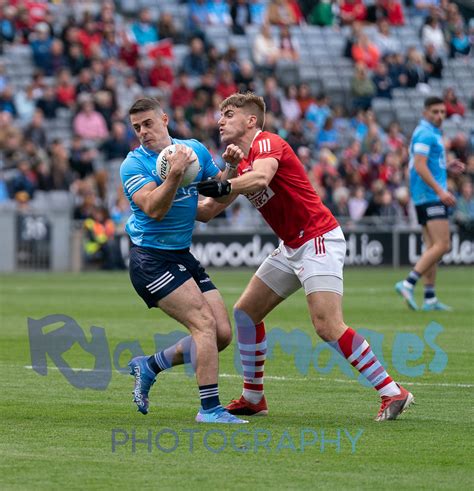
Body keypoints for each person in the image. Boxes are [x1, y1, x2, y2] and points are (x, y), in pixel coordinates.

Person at [196, 92, 414, 421]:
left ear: (250, 120)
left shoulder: (267, 142)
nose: (220, 120)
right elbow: (209, 211)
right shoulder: (240, 162)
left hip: (317, 239)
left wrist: (226, 184)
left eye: (228, 113)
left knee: (327, 324)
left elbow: (260, 178)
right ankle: (254, 397)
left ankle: (391, 390)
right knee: (245, 313)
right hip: (292, 246)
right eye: (220, 114)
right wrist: (186, 186)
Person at [120, 97, 246, 424]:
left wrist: (232, 166)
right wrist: (173, 175)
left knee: (220, 334)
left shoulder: (194, 150)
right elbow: (155, 209)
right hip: (150, 260)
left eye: (148, 124)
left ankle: (150, 365)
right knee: (203, 325)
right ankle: (210, 410)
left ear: (165, 119)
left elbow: (217, 192)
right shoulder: (133, 165)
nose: (143, 132)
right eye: (136, 128)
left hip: (180, 254)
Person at [395, 97, 465, 311]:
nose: (440, 116)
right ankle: (408, 283)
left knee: (432, 247)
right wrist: (440, 191)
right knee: (443, 245)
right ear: (425, 112)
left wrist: (445, 166)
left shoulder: (429, 132)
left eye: (443, 112)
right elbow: (418, 165)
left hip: (423, 196)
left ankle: (430, 297)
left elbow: (425, 163)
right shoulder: (426, 133)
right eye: (435, 111)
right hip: (430, 196)